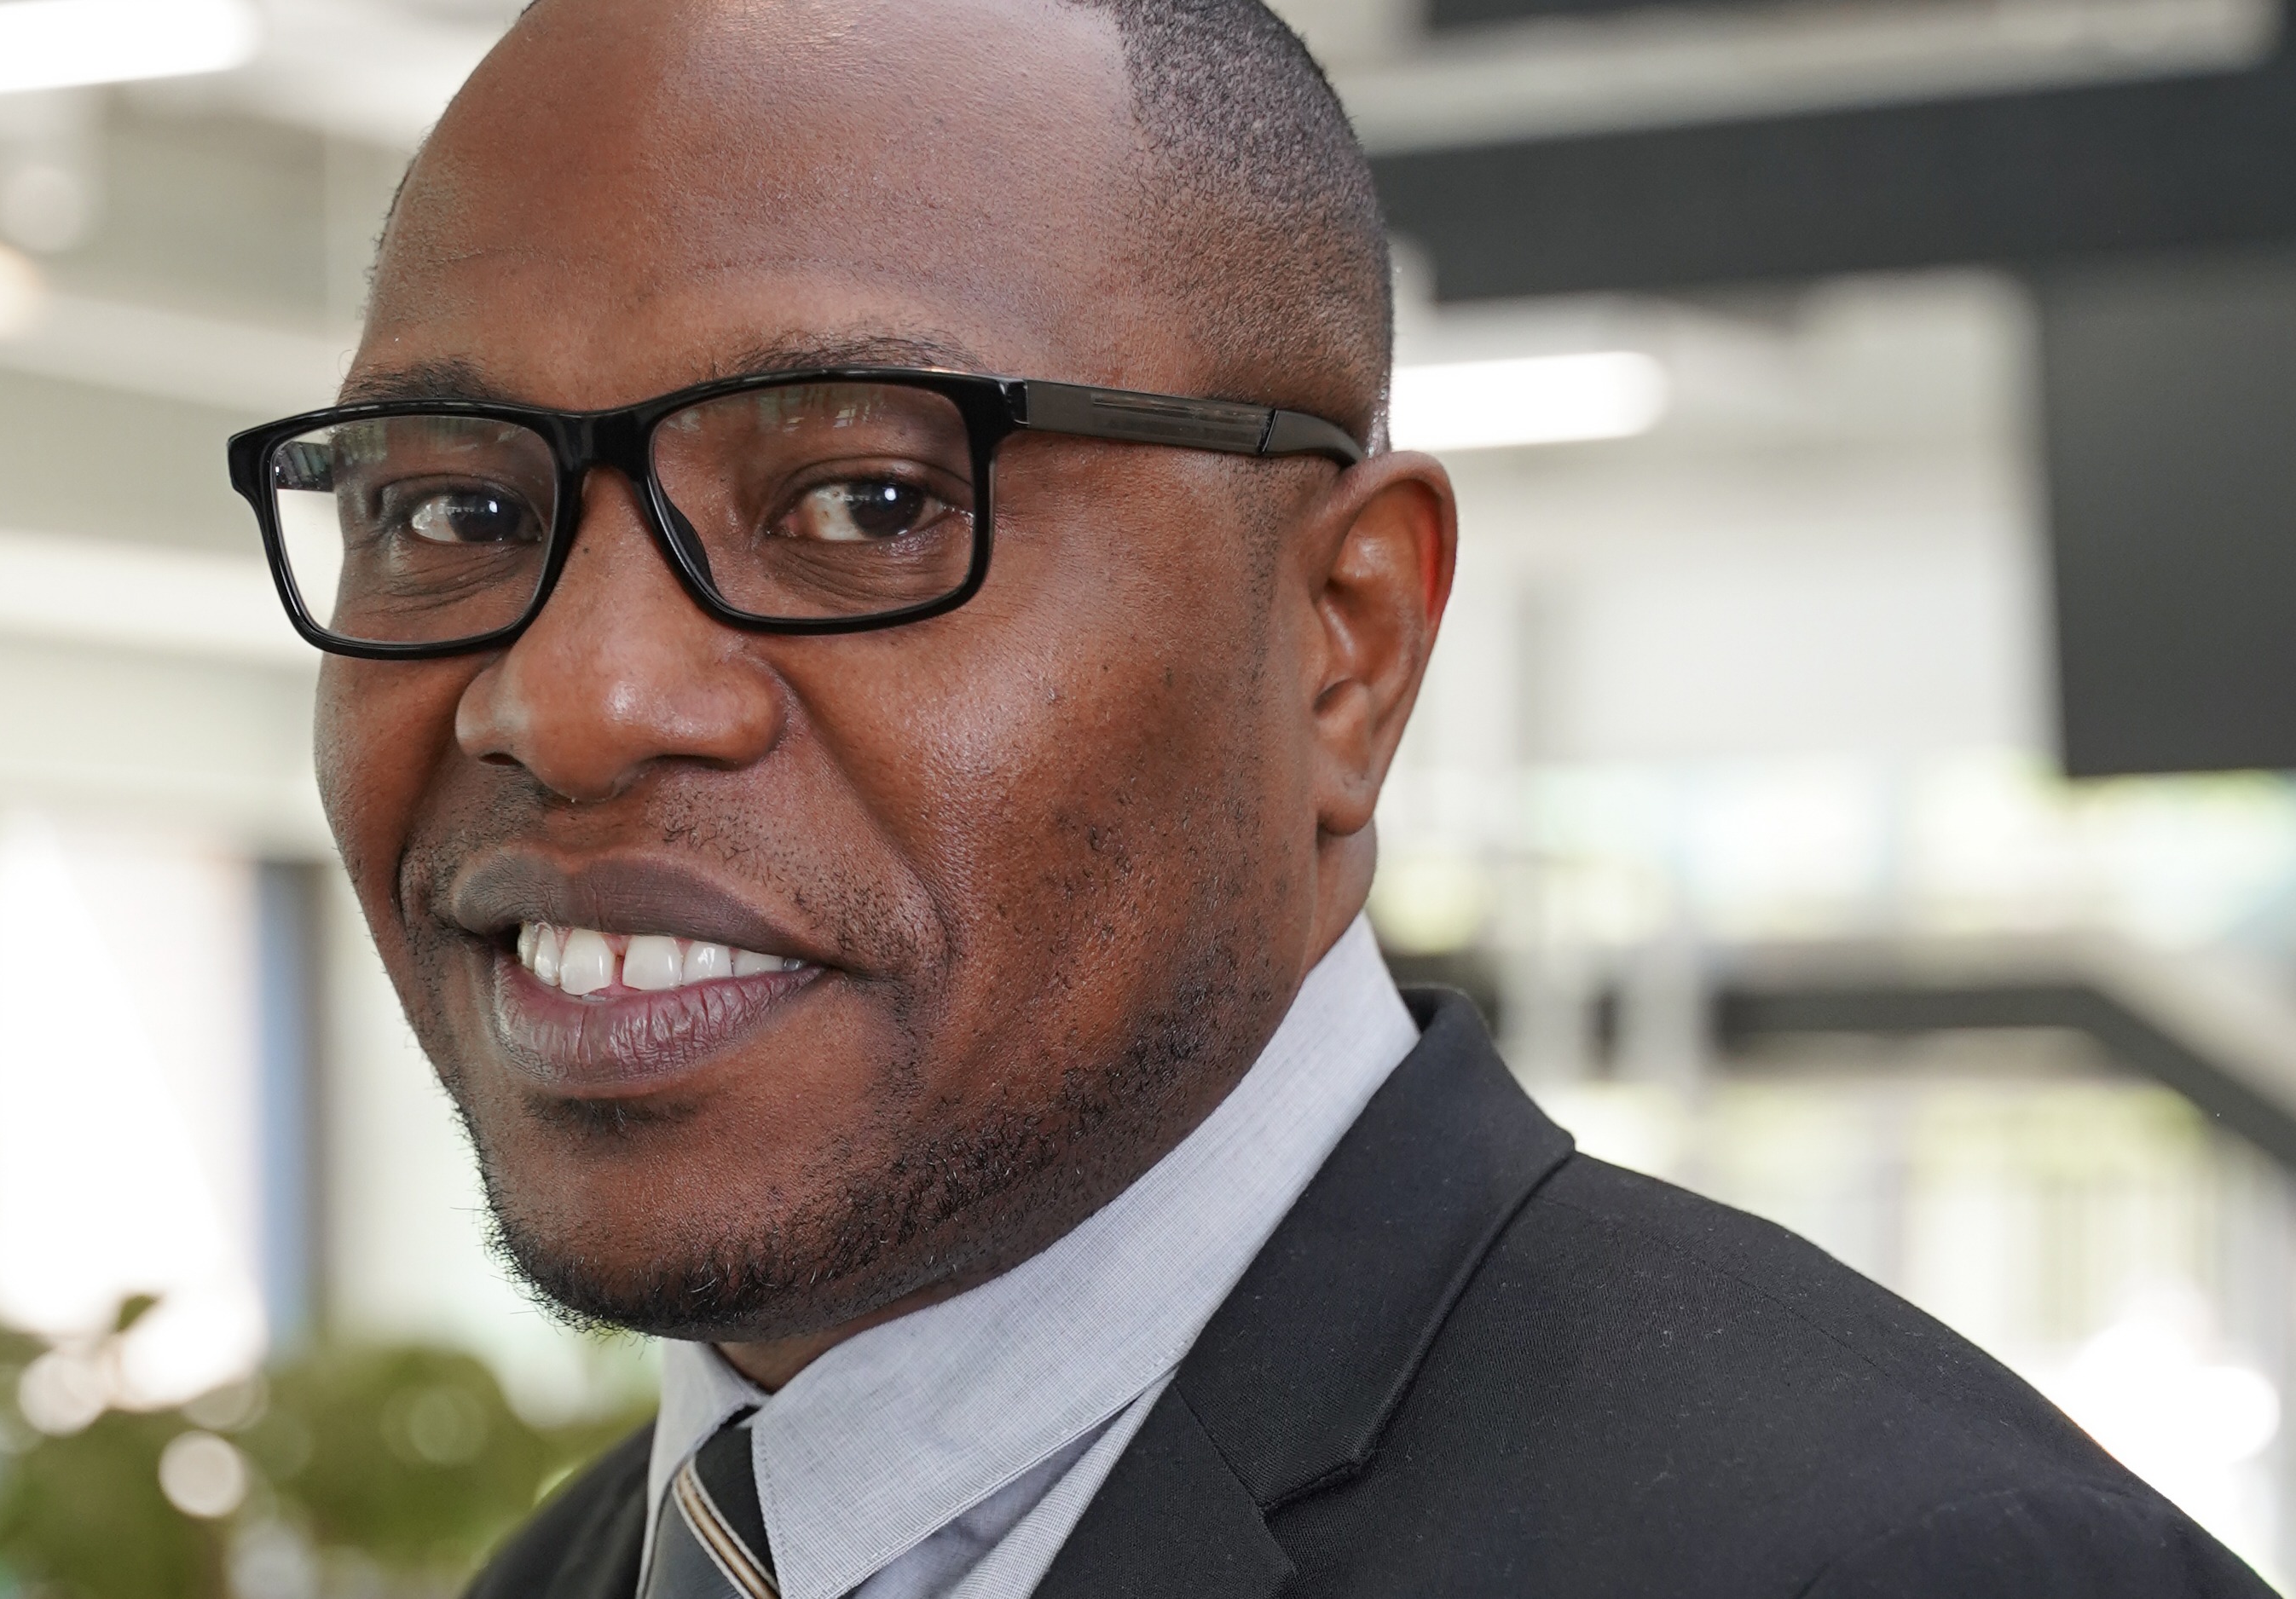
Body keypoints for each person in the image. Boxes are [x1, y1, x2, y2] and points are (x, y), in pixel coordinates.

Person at [222, 0, 2276, 1593]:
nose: (571, 699)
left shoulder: (1886, 1563)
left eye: (863, 497)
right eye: (454, 507)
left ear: (1344, 641)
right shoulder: (585, 1567)